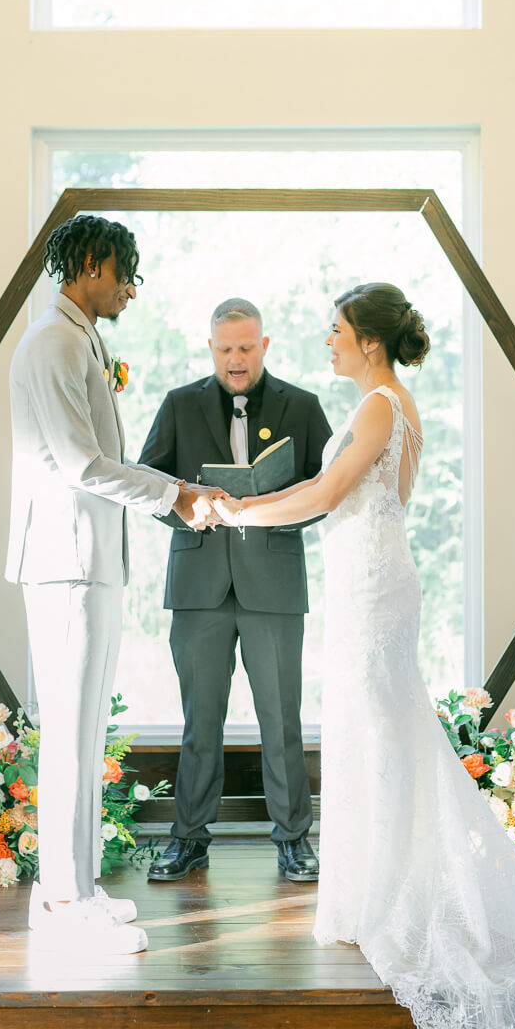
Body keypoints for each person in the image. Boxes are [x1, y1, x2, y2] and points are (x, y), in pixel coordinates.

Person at [214, 282, 515, 1029]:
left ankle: (394, 896)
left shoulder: (381, 403)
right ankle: (374, 889)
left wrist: (237, 510)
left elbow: (326, 491)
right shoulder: (390, 402)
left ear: (370, 342)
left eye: (337, 331)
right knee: (377, 735)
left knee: (384, 738)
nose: (329, 343)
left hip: (373, 587)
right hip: (372, 577)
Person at [6, 214, 218, 954]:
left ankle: (74, 888)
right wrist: (176, 496)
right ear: (90, 265)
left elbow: (96, 458)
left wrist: (177, 485)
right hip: (65, 561)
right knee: (67, 734)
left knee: (84, 730)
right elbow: (80, 464)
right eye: (125, 273)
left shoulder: (75, 338)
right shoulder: (55, 342)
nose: (131, 289)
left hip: (88, 557)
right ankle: (64, 902)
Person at [139, 298, 332, 882]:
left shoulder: (303, 406)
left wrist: (275, 509)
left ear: (265, 345)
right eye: (225, 349)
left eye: (246, 348)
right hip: (199, 585)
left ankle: (294, 839)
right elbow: (148, 483)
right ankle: (189, 838)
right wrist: (188, 508)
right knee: (200, 721)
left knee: (283, 721)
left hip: (273, 584)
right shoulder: (178, 405)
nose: (236, 359)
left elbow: (328, 488)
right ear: (210, 348)